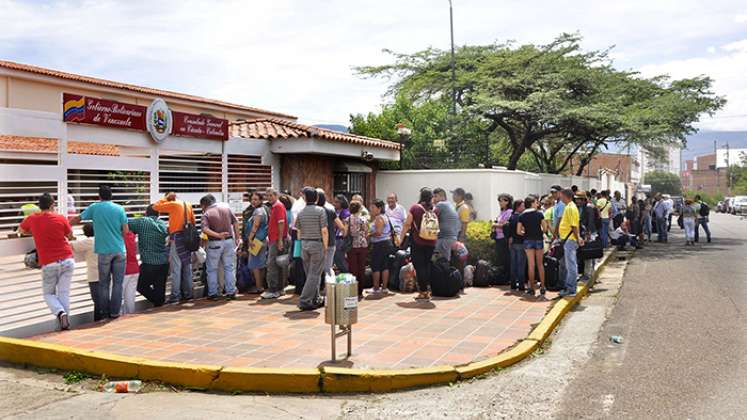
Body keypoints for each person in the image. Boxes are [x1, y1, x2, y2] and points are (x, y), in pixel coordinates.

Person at [19, 193, 74, 330]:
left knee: (48, 294)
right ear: (52, 205)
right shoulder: (61, 218)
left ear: (39, 206)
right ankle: (64, 322)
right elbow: (70, 236)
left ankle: (60, 313)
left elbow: (21, 230)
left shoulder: (32, 219)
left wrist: (36, 232)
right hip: (67, 259)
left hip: (49, 263)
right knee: (64, 293)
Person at [73, 185, 128, 319]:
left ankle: (104, 313)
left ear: (100, 196)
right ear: (111, 196)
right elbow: (125, 231)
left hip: (103, 251)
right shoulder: (119, 208)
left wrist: (64, 226)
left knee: (103, 284)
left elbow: (77, 219)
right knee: (118, 284)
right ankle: (115, 312)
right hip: (119, 250)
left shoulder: (95, 207)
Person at [153, 191, 196, 304]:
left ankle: (175, 296)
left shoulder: (173, 204)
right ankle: (189, 294)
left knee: (176, 268)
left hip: (177, 238)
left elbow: (155, 206)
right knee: (187, 267)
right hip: (187, 238)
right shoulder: (187, 204)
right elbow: (193, 221)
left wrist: (165, 199)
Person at [128, 205, 169, 307]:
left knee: (140, 285)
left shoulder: (143, 222)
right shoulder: (163, 224)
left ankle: (157, 301)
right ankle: (159, 304)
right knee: (160, 288)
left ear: (146, 212)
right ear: (158, 214)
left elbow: (125, 223)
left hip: (149, 263)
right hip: (163, 263)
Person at [401, 188, 437, 301]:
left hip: (418, 241)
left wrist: (400, 238)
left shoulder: (415, 208)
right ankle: (428, 289)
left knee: (419, 266)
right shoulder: (434, 209)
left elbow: (407, 224)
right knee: (426, 265)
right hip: (431, 241)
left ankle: (423, 292)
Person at [296, 187, 328, 311]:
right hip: (316, 244)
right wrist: (325, 247)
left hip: (304, 244)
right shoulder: (320, 211)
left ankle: (315, 298)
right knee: (315, 274)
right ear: (317, 198)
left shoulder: (301, 212)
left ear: (305, 198)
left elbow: (298, 232)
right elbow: (324, 231)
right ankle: (305, 300)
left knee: (310, 273)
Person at [261, 188, 289, 300]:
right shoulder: (276, 206)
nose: (269, 197)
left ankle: (273, 289)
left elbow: (281, 223)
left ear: (276, 195)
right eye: (267, 196)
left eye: (271, 195)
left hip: (277, 239)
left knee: (272, 264)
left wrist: (280, 240)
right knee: (279, 264)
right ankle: (279, 289)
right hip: (276, 239)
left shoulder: (278, 206)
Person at [70, 223, 101, 320]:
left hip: (94, 275)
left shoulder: (89, 241)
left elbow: (71, 245)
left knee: (97, 301)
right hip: (106, 273)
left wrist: (71, 237)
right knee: (103, 299)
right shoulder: (103, 240)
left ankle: (98, 320)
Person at [517, 196, 547, 297]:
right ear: (532, 203)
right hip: (538, 239)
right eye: (536, 202)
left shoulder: (522, 215)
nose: (537, 203)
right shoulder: (539, 214)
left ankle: (532, 288)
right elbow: (545, 228)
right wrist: (539, 232)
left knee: (531, 264)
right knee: (540, 264)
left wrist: (525, 233)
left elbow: (518, 231)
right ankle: (542, 287)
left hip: (527, 240)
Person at [557, 189, 584, 298]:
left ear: (566, 196)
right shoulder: (569, 207)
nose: (560, 198)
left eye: (561, 196)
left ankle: (571, 289)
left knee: (571, 265)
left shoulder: (571, 208)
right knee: (567, 264)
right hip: (567, 239)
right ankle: (568, 286)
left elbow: (574, 226)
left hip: (570, 240)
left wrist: (578, 238)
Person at [244, 192, 267, 295]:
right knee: (260, 263)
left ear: (261, 200)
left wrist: (250, 239)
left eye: (256, 199)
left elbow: (255, 226)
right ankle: (261, 285)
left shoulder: (258, 211)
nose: (253, 201)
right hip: (261, 240)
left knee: (254, 264)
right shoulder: (263, 210)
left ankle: (258, 287)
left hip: (256, 241)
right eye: (252, 199)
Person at [317, 189, 344, 278]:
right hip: (331, 242)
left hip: (317, 242)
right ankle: (328, 288)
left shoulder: (315, 211)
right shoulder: (330, 211)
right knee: (328, 267)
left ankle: (320, 287)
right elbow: (341, 226)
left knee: (317, 268)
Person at [369, 199, 393, 294]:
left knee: (376, 265)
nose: (371, 209)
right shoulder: (384, 216)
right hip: (386, 243)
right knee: (385, 266)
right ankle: (384, 287)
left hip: (380, 244)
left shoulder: (379, 218)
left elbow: (378, 232)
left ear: (379, 208)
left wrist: (369, 234)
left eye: (373, 207)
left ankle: (376, 288)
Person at [346, 201, 369, 297]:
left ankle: (353, 289)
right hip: (362, 244)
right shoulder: (363, 219)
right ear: (359, 209)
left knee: (353, 268)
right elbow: (366, 231)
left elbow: (345, 233)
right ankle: (360, 290)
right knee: (361, 267)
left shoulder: (347, 219)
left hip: (352, 245)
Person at [577, 192, 599, 285]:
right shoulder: (580, 208)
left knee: (589, 254)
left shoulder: (588, 208)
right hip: (583, 232)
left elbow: (590, 221)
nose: (577, 201)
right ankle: (589, 273)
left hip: (589, 233)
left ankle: (588, 274)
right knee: (587, 254)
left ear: (583, 200)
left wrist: (588, 233)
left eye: (578, 199)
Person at [433, 188, 460, 262]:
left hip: (444, 239)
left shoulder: (440, 204)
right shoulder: (449, 204)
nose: (433, 199)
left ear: (443, 197)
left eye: (435, 196)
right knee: (446, 261)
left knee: (440, 262)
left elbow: (431, 217)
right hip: (452, 238)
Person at [492, 194, 513, 281]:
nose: (501, 202)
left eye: (504, 200)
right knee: (500, 258)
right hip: (498, 237)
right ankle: (502, 276)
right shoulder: (502, 212)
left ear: (508, 202)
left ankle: (507, 277)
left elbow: (506, 225)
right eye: (500, 200)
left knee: (506, 258)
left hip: (504, 238)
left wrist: (494, 224)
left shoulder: (509, 212)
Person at [508, 199, 526, 291]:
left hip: (513, 243)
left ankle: (513, 284)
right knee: (521, 264)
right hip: (520, 243)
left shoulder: (511, 217)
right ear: (518, 207)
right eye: (522, 206)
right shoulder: (521, 217)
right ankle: (521, 285)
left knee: (513, 264)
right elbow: (522, 230)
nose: (524, 207)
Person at [121, 231, 139, 314]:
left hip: (124, 270)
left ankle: (119, 316)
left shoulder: (119, 238)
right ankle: (130, 315)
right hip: (135, 268)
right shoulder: (132, 236)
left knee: (119, 296)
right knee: (130, 296)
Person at [333, 194, 351, 273]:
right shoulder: (336, 211)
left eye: (337, 202)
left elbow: (344, 227)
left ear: (342, 203)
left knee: (339, 258)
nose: (335, 204)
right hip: (336, 237)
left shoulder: (345, 212)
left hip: (342, 238)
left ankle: (347, 273)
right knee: (336, 258)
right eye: (334, 202)